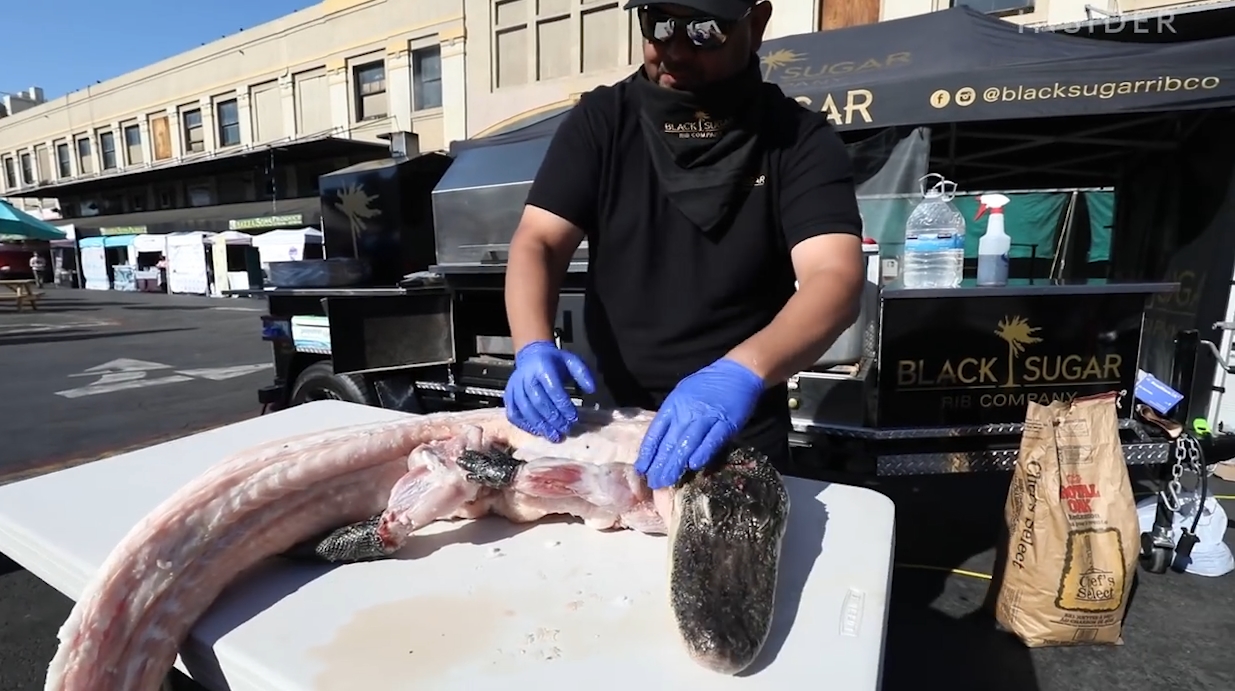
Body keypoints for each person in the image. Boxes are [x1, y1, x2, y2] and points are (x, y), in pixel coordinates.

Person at [502, 0, 866, 490]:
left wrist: (742, 372)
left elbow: (835, 277)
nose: (673, 48)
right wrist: (531, 346)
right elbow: (539, 240)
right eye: (658, 23)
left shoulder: (797, 139)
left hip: (740, 431)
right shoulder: (602, 121)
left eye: (703, 30)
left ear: (756, 25)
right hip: (615, 425)